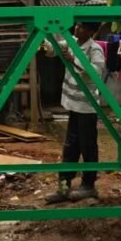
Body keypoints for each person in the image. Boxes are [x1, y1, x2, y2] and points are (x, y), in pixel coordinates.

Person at [45, 20, 107, 203]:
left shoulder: (94, 49)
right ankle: (64, 185)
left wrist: (74, 60)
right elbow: (53, 48)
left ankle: (89, 185)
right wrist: (48, 35)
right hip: (72, 103)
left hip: (86, 107)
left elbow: (96, 71)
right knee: (71, 144)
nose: (77, 29)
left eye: (81, 27)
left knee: (87, 145)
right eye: (77, 25)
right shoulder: (72, 42)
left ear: (90, 31)